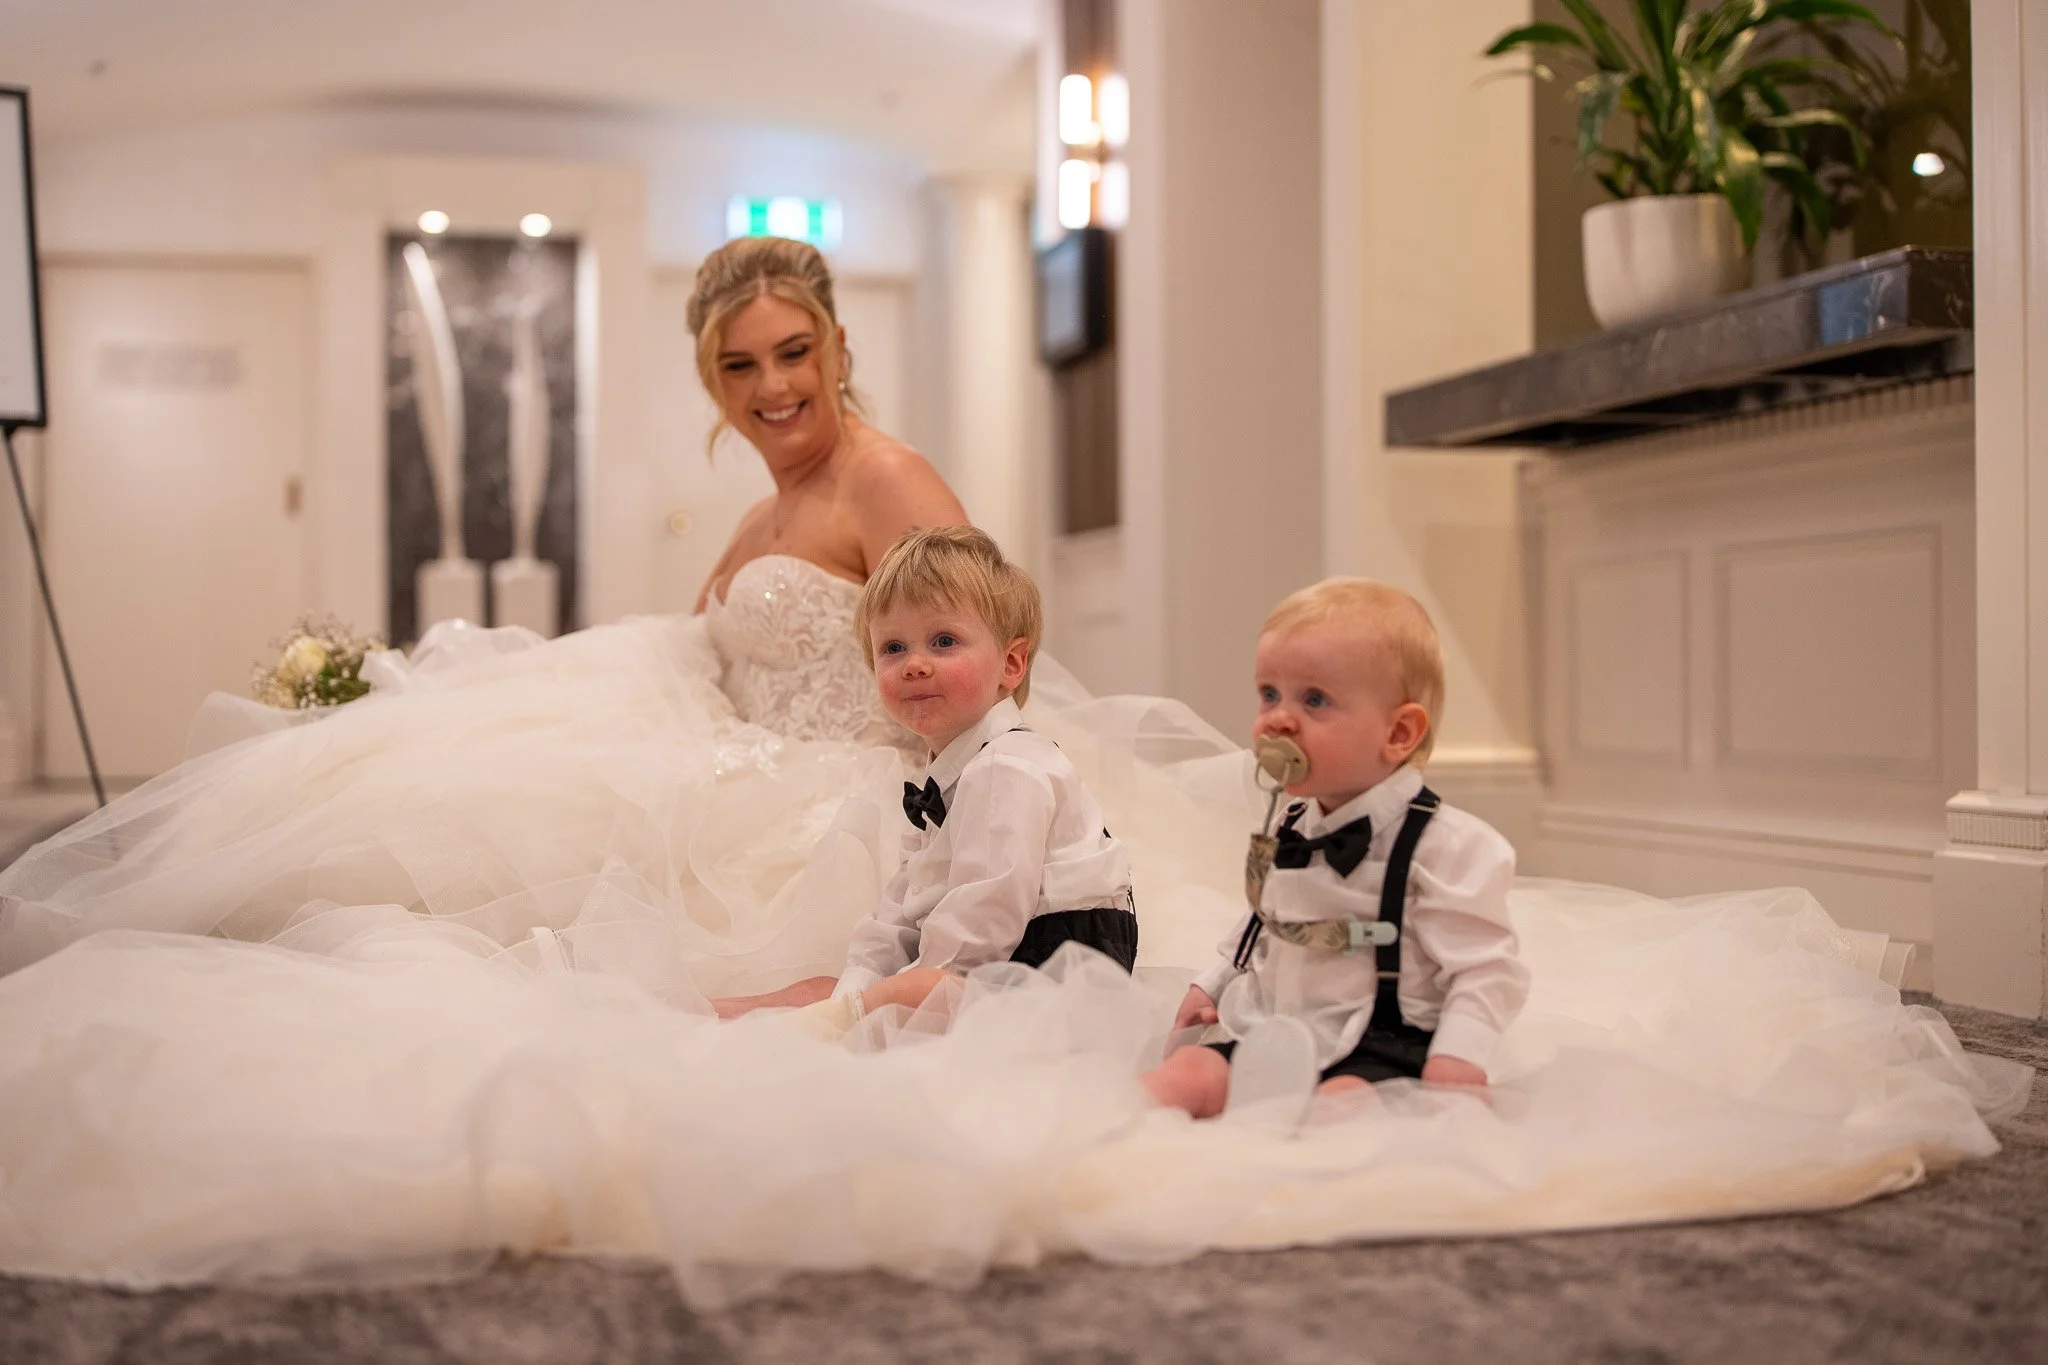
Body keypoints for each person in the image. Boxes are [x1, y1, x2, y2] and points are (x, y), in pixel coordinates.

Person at [0, 236, 967, 994]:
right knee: (446, 781)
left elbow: (974, 640)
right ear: (712, 382)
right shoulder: (770, 507)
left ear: (839, 347)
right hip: (725, 758)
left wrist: (955, 821)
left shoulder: (883, 478)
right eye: (740, 365)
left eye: (794, 353)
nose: (773, 387)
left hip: (816, 807)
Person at [1144, 579, 1524, 1119]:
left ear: (1398, 733)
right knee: (1186, 1075)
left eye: (1314, 699)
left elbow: (1485, 970)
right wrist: (1214, 981)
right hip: (1278, 1028)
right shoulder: (1293, 819)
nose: (1278, 718)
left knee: (1339, 1110)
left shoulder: (1447, 846)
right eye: (1269, 694)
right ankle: (1110, 1150)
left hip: (1383, 1043)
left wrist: (1459, 1055)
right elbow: (1263, 917)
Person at [737, 527, 1136, 1034]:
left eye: (943, 641)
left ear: (1010, 664)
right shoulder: (948, 775)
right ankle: (749, 1014)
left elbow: (983, 922)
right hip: (1000, 957)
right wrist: (861, 979)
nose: (915, 666)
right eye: (893, 648)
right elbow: (904, 906)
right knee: (838, 984)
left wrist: (898, 989)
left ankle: (827, 1030)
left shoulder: (1007, 768)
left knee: (907, 992)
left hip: (1059, 965)